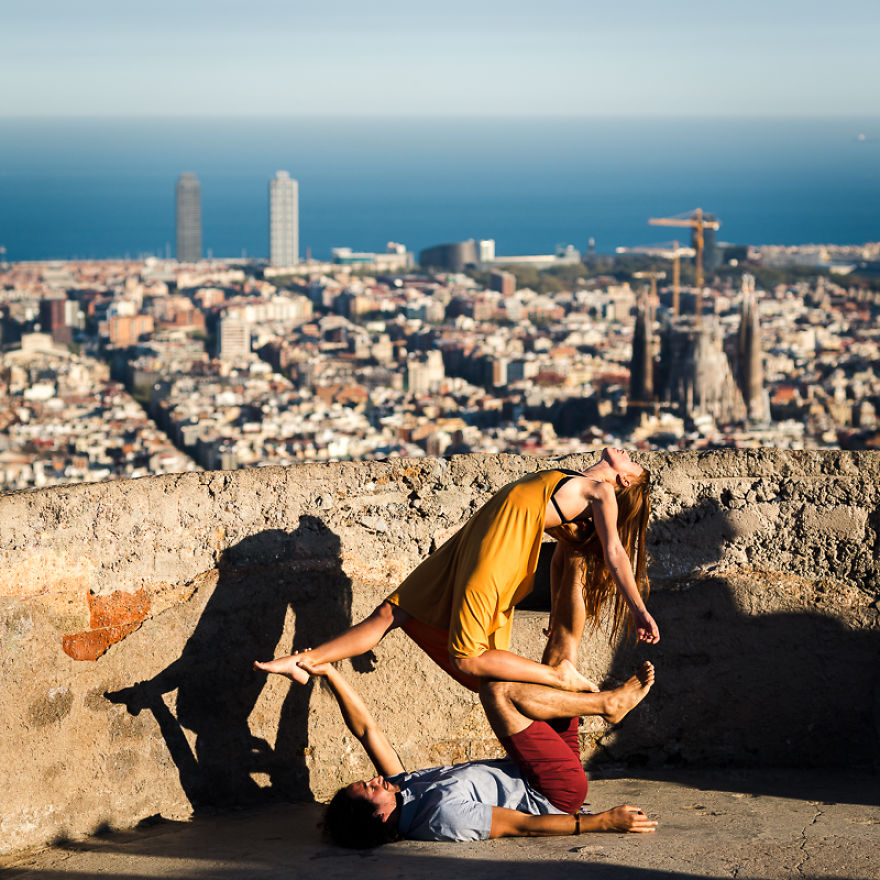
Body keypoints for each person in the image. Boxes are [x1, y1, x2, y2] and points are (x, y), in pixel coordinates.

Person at [258, 555, 657, 847]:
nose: (375, 779)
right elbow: (521, 826)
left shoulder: (403, 789)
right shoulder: (440, 817)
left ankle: (576, 556)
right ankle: (607, 705)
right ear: (380, 815)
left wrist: (327, 671)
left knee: (560, 657)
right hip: (552, 790)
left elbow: (366, 730)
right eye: (369, 788)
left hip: (536, 762)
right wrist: (603, 822)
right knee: (495, 688)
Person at [256, 447, 657, 693]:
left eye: (634, 463)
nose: (628, 453)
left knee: (467, 657)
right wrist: (554, 612)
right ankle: (304, 661)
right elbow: (561, 556)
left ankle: (558, 678)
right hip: (465, 546)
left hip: (494, 554)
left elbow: (615, 555)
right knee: (389, 612)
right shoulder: (572, 481)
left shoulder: (601, 492)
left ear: (623, 480)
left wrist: (639, 611)